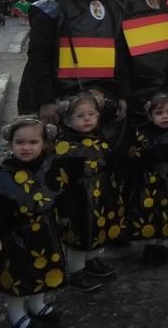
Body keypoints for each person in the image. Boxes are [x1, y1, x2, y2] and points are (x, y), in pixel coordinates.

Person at [18, 0, 128, 137]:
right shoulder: (49, 9)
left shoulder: (111, 7)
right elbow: (38, 57)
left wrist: (123, 95)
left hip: (101, 100)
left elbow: (120, 53)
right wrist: (46, 100)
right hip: (61, 100)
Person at [0, 116, 64, 327]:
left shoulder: (48, 165)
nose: (26, 147)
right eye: (20, 142)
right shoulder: (6, 174)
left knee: (43, 270)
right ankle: (16, 313)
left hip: (45, 232)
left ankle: (37, 305)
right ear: (11, 144)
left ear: (44, 143)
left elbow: (58, 191)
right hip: (16, 237)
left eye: (33, 142)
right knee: (17, 276)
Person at [52, 91, 124, 292]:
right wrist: (65, 206)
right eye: (80, 116)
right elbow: (59, 181)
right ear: (67, 120)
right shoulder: (65, 147)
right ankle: (77, 271)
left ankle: (92, 260)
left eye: (91, 114)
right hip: (77, 200)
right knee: (78, 236)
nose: (87, 119)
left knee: (95, 230)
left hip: (99, 196)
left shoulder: (98, 137)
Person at [108, 0, 168, 122]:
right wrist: (123, 92)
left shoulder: (158, 2)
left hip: (162, 83)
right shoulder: (113, 5)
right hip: (134, 85)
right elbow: (118, 53)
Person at [126, 93, 168, 265]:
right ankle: (150, 247)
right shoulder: (142, 137)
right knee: (150, 214)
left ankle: (165, 246)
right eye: (159, 113)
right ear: (150, 116)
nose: (165, 116)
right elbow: (134, 161)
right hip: (148, 183)